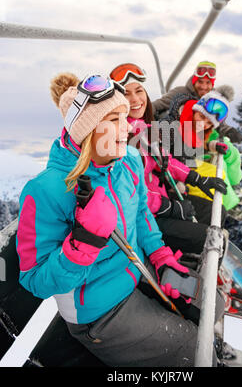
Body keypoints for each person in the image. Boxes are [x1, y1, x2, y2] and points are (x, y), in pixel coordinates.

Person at [16, 72, 206, 367]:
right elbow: (34, 280)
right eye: (113, 120)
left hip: (138, 274)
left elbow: (142, 214)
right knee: (194, 348)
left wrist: (161, 257)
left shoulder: (128, 161)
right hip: (99, 312)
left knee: (207, 306)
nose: (127, 127)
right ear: (87, 129)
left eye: (124, 118)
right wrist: (83, 243)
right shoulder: (47, 190)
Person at [109, 63, 228, 255]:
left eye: (139, 91)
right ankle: (189, 262)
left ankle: (191, 253)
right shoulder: (120, 139)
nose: (135, 99)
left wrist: (196, 179)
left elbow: (165, 158)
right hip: (145, 216)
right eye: (126, 94)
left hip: (162, 196)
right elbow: (129, 195)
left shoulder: (144, 128)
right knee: (208, 237)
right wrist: (169, 207)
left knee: (216, 212)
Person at [163, 86, 242, 215]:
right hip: (172, 174)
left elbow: (189, 149)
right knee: (213, 174)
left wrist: (210, 146)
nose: (203, 124)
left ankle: (227, 200)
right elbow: (164, 157)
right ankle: (225, 207)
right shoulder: (173, 124)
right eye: (201, 116)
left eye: (209, 123)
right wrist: (175, 182)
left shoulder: (195, 127)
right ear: (196, 110)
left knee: (217, 171)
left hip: (184, 165)